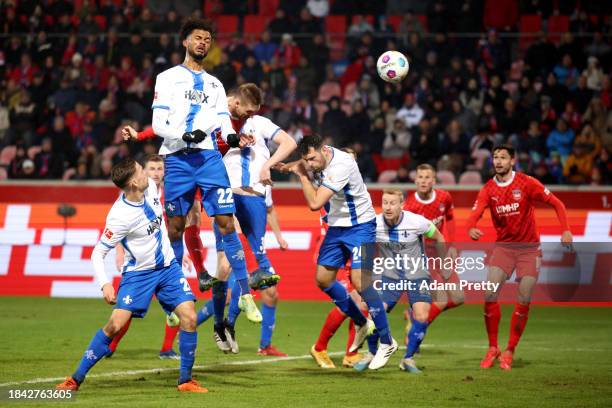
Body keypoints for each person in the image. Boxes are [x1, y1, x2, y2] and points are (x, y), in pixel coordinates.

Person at [56, 158, 206, 392]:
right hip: (138, 274)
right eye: (142, 171)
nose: (150, 174)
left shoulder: (154, 188)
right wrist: (105, 284)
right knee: (115, 325)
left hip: (167, 268)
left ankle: (185, 381)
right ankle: (75, 379)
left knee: (190, 317)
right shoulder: (119, 217)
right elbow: (98, 253)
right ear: (134, 183)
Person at [150, 18, 261, 323]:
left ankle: (246, 294)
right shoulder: (167, 78)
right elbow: (159, 124)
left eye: (207, 39)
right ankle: (173, 292)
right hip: (176, 159)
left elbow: (224, 125)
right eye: (198, 38)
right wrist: (182, 136)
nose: (203, 43)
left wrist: (233, 137)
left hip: (208, 160)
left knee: (226, 222)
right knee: (174, 226)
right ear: (185, 42)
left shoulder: (215, 84)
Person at [280, 135, 397, 370]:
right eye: (307, 160)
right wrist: (288, 165)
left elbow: (314, 203)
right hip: (337, 227)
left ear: (324, 150)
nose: (311, 164)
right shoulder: (321, 156)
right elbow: (304, 162)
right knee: (323, 279)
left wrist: (301, 173)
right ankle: (361, 321)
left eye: (313, 159)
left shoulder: (341, 165)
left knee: (359, 281)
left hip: (361, 227)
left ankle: (386, 341)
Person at [201, 83, 297, 355]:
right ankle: (220, 323)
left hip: (255, 197)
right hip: (227, 197)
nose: (248, 116)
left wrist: (267, 165)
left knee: (247, 268)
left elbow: (290, 142)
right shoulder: (215, 121)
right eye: (248, 110)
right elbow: (205, 155)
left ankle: (228, 323)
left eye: (253, 112)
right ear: (237, 103)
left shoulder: (259, 123)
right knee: (224, 266)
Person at [467, 144, 573, 370]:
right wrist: (471, 227)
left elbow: (557, 203)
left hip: (529, 249)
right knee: (489, 293)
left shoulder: (527, 183)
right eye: (495, 157)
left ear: (512, 161)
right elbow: (474, 213)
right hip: (504, 248)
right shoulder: (488, 189)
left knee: (524, 296)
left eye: (503, 158)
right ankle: (493, 347)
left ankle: (510, 350)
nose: (498, 161)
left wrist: (565, 229)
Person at [354, 188, 448, 373]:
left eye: (392, 203)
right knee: (374, 312)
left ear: (402, 205)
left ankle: (408, 359)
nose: (388, 207)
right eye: (385, 203)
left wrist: (444, 264)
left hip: (417, 274)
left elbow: (438, 237)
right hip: (390, 276)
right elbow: (365, 248)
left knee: (421, 316)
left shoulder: (417, 222)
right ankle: (372, 353)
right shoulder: (374, 224)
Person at [107, 154, 185, 359]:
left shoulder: (169, 194)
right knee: (129, 309)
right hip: (142, 262)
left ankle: (167, 349)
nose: (156, 173)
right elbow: (119, 226)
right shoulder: (136, 194)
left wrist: (180, 251)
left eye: (160, 169)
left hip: (166, 255)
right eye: (151, 169)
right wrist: (119, 250)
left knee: (180, 305)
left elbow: (170, 227)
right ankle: (110, 345)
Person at [404, 164, 463, 327]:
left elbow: (450, 218)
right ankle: (416, 332)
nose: (423, 181)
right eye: (420, 177)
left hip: (441, 253)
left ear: (434, 180)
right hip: (423, 258)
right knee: (441, 299)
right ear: (415, 180)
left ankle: (414, 317)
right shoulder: (409, 206)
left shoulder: (444, 197)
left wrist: (451, 245)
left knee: (458, 298)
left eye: (427, 177)